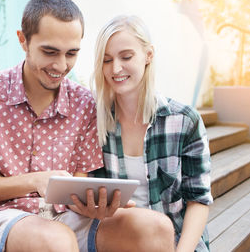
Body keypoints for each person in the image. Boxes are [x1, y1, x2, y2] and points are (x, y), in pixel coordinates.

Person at [0, 0, 175, 252]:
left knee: (156, 228)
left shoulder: (84, 103)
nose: (61, 65)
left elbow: (77, 187)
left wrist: (94, 205)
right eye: (50, 51)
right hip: (1, 215)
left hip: (66, 218)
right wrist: (35, 181)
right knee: (56, 240)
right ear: (23, 40)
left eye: (72, 53)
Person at [90, 15, 213, 252]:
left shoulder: (184, 121)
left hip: (178, 242)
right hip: (123, 241)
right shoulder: (95, 123)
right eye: (106, 60)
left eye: (126, 57)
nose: (116, 68)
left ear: (148, 55)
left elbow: (198, 200)